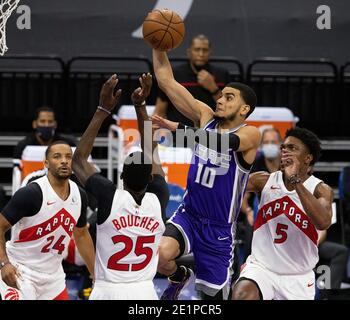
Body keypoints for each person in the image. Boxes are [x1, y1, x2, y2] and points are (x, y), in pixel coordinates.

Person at [151, 48, 261, 300]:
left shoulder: (251, 134)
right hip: (189, 215)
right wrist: (158, 46)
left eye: (229, 97)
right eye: (220, 96)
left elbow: (223, 143)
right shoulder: (205, 117)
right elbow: (166, 80)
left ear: (244, 109)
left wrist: (178, 127)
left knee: (213, 299)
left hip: (219, 230)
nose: (220, 100)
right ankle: (179, 275)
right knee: (158, 256)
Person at [72, 74, 165, 300]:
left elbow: (78, 161)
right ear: (152, 179)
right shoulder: (159, 197)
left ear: (121, 177)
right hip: (144, 290)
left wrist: (102, 109)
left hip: (108, 290)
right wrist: (140, 105)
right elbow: (151, 151)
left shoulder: (108, 195)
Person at [231, 127, 333, 300]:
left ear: (307, 158)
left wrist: (296, 181)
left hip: (298, 277)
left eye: (292, 148)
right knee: (243, 294)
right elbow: (228, 187)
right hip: (262, 268)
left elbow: (323, 222)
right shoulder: (263, 180)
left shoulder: (320, 190)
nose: (285, 151)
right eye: (284, 147)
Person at [0, 141, 95, 300]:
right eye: (57, 157)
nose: (64, 161)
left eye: (68, 157)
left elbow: (82, 235)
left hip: (53, 277)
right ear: (46, 163)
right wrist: (4, 263)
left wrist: (95, 274)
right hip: (21, 270)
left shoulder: (80, 195)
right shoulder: (32, 193)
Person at [154, 34, 230, 128]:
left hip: (210, 135)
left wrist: (213, 88)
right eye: (197, 49)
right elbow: (159, 111)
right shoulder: (175, 74)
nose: (201, 54)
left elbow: (229, 111)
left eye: (205, 50)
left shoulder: (221, 74)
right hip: (178, 136)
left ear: (210, 52)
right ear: (189, 52)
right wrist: (147, 138)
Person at [240, 127, 282, 256]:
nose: (270, 145)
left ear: (281, 144)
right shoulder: (255, 165)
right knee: (250, 226)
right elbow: (243, 196)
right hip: (258, 214)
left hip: (284, 212)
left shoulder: (287, 165)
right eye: (266, 142)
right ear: (261, 145)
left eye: (273, 142)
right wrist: (248, 212)